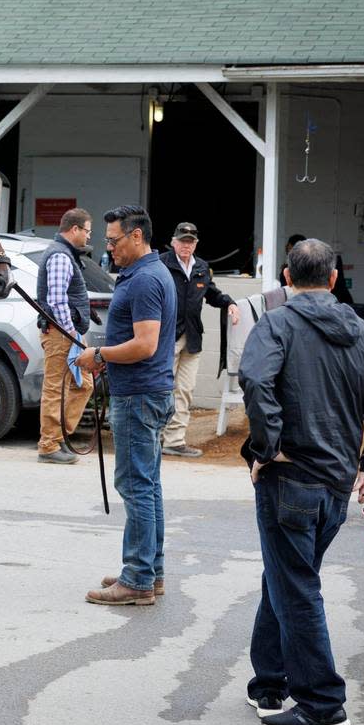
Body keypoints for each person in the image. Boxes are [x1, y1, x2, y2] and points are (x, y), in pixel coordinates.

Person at [239, 238, 364, 725]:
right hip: (333, 482)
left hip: (292, 479)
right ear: (333, 279)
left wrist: (268, 448)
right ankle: (269, 683)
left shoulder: (278, 323)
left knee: (296, 585)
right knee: (286, 578)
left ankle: (323, 703)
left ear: (286, 278)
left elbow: (254, 379)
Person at [75, 205, 176, 606]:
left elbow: (145, 344)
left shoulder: (145, 281)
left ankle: (136, 579)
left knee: (136, 487)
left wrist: (99, 356)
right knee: (148, 485)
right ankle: (150, 570)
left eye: (114, 240)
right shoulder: (150, 273)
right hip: (145, 391)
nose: (108, 248)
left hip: (138, 395)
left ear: (137, 236)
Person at [157, 222, 239, 457]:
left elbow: (212, 294)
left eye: (190, 241)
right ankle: (156, 437)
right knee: (163, 389)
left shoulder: (201, 267)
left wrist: (230, 303)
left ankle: (174, 441)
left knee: (185, 390)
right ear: (173, 242)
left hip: (192, 338)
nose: (186, 245)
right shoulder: (162, 264)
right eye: (182, 240)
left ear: (195, 244)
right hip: (166, 338)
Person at [36, 208, 95, 464]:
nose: (89, 237)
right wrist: (70, 332)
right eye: (87, 231)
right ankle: (49, 445)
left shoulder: (65, 254)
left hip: (67, 333)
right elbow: (57, 299)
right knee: (56, 388)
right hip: (62, 333)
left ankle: (59, 437)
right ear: (75, 230)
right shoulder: (60, 256)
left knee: (84, 384)